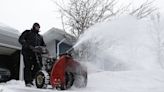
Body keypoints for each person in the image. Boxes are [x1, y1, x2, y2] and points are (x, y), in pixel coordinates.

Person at [18, 23, 46, 87]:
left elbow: (43, 45)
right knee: (28, 66)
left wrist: (42, 49)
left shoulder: (40, 37)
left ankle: (32, 78)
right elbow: (21, 39)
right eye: (36, 26)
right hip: (28, 52)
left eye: (38, 27)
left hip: (36, 53)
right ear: (33, 26)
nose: (37, 28)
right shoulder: (27, 32)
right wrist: (28, 46)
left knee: (39, 66)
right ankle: (28, 82)